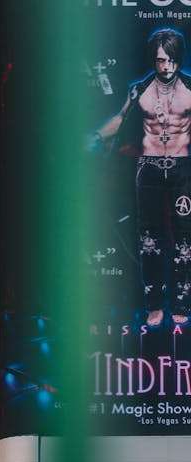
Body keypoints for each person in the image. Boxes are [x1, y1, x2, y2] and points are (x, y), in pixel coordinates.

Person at [91, 28, 191, 327]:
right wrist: (95, 136)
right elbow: (120, 119)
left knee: (185, 240)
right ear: (153, 59)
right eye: (161, 60)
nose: (167, 66)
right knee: (150, 240)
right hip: (148, 167)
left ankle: (182, 304)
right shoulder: (140, 90)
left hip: (182, 169)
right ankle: (154, 305)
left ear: (179, 58)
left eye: (172, 59)